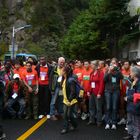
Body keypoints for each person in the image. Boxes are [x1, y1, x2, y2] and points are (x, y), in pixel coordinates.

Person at [104, 58, 123, 130]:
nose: (113, 64)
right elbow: (104, 80)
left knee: (114, 107)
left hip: (116, 91)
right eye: (112, 63)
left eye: (114, 63)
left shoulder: (118, 71)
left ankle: (114, 123)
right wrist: (109, 71)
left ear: (117, 64)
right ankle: (108, 122)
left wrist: (117, 69)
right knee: (108, 107)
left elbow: (122, 77)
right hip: (108, 91)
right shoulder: (107, 70)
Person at [123, 66, 140, 140]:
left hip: (136, 105)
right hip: (130, 105)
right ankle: (130, 134)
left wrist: (128, 98)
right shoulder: (132, 81)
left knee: (136, 123)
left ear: (135, 73)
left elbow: (138, 95)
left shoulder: (139, 83)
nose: (130, 73)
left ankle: (136, 137)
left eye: (131, 72)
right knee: (129, 121)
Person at [60, 65, 78, 134]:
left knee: (69, 115)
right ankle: (65, 128)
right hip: (65, 100)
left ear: (65, 72)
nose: (61, 71)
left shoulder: (70, 80)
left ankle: (74, 124)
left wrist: (69, 100)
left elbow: (73, 92)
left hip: (71, 101)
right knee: (65, 115)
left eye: (62, 70)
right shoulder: (64, 78)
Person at [87, 60, 104, 127]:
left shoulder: (101, 73)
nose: (91, 65)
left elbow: (102, 84)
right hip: (92, 92)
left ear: (96, 65)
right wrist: (88, 91)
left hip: (97, 93)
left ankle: (99, 121)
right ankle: (92, 120)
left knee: (98, 108)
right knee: (91, 107)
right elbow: (89, 82)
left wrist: (99, 93)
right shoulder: (91, 73)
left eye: (92, 64)